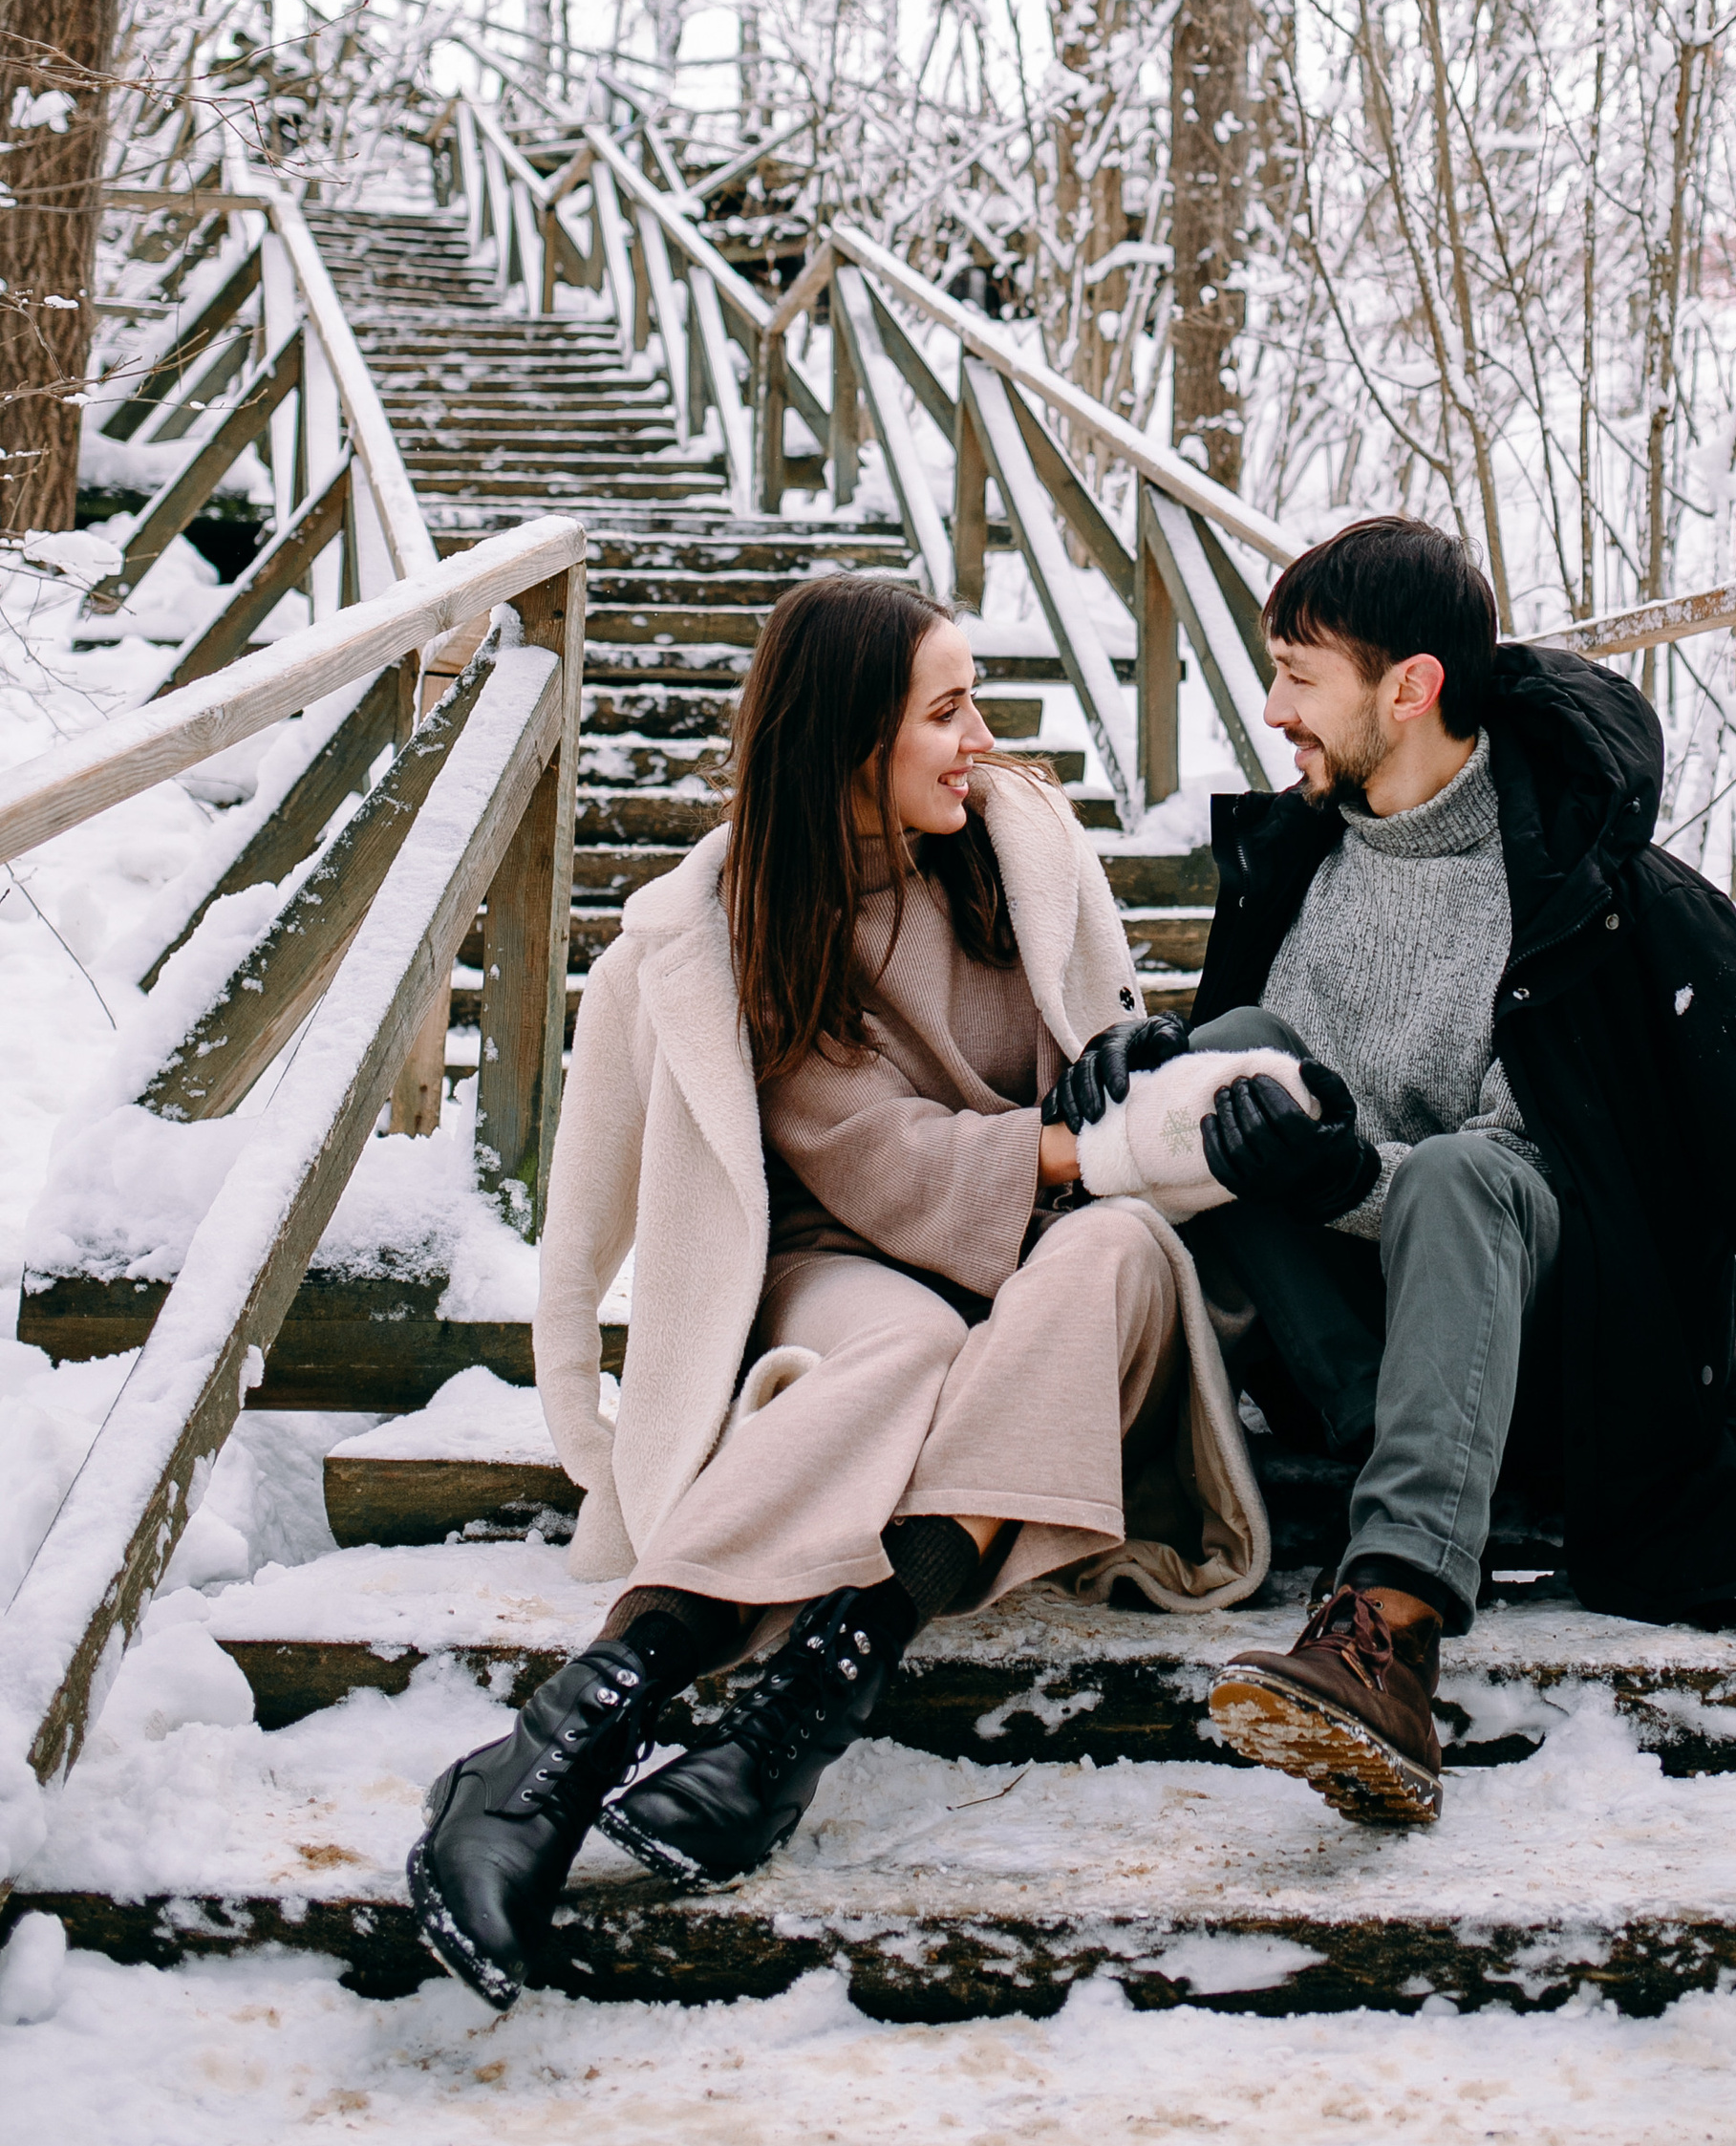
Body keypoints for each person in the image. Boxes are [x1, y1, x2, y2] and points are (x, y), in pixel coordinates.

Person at [408, 572, 1266, 2008]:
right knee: (906, 1346)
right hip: (839, 1267)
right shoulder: (744, 924)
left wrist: (1137, 1076)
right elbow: (879, 1165)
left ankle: (808, 1700)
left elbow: (1119, 1070)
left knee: (1118, 1251)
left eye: (976, 701)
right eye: (946, 709)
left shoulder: (1028, 854)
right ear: (852, 740)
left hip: (1060, 1282)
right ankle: (562, 1745)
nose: (980, 737)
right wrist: (585, 1432)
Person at [1047, 516, 1736, 1834]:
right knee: (1237, 1053)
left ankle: (1391, 1636)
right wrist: (1149, 1068)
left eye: (1302, 677)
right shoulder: (1295, 866)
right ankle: (1324, 1483)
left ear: (1408, 686)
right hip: (1352, 1386)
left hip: (1562, 1386)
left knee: (1462, 1172)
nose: (1273, 710)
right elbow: (1253, 1123)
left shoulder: (1604, 898)